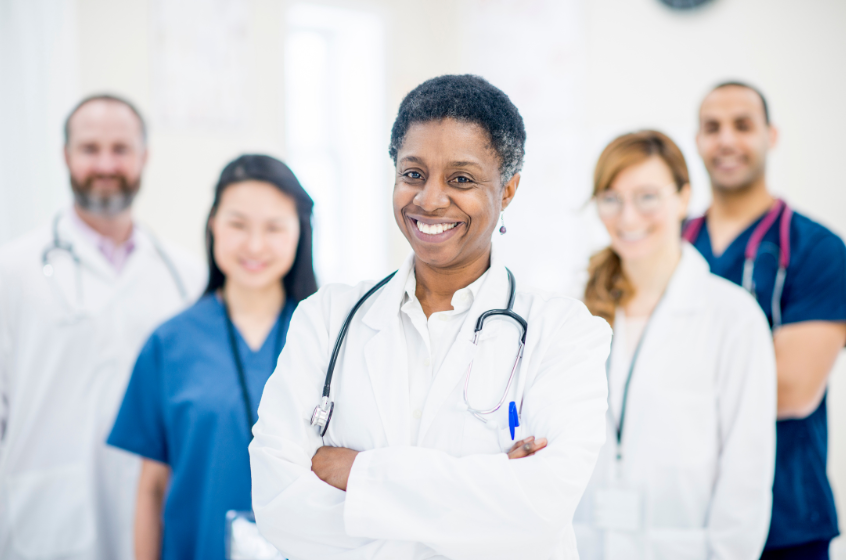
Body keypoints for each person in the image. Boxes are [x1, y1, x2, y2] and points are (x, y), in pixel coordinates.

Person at [249, 74, 612, 560]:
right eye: (413, 174)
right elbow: (278, 506)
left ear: (508, 189)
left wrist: (355, 472)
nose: (430, 199)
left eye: (461, 179)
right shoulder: (326, 318)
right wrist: (487, 490)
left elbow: (540, 509)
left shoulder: (564, 332)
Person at [0, 95, 205, 560]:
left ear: (144, 157)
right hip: (44, 518)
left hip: (149, 517)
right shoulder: (12, 271)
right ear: (65, 156)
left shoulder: (186, 276)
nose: (106, 164)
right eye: (90, 148)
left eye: (121, 149)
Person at [574, 130, 777, 559]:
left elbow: (746, 475)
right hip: (587, 544)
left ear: (684, 198)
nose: (627, 216)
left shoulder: (733, 318)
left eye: (647, 197)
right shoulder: (574, 312)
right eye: (611, 198)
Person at [107, 155, 317, 560]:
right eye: (238, 224)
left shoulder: (327, 338)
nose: (254, 245)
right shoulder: (169, 344)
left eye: (274, 227)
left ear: (299, 233)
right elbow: (151, 489)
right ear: (213, 225)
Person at [686, 82, 846, 560]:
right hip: (685, 513)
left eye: (742, 126)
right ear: (698, 140)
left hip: (786, 519)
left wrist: (669, 391)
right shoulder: (670, 246)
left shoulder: (819, 250)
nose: (726, 140)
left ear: (770, 136)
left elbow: (791, 389)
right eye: (713, 127)